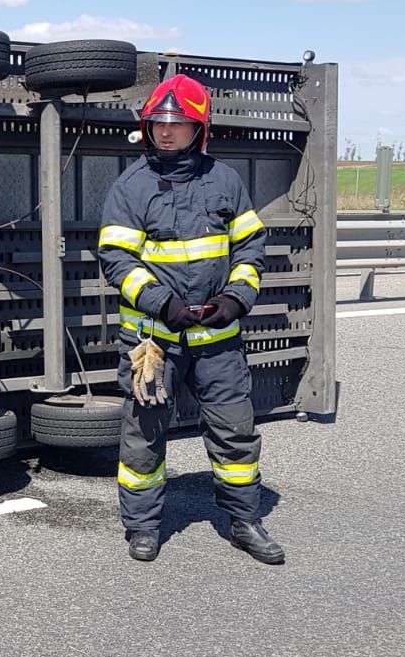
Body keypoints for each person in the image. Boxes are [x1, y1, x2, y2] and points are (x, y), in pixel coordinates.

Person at [96, 73, 285, 565]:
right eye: (158, 122)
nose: (166, 131)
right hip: (154, 342)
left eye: (178, 123)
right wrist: (163, 303)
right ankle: (142, 528)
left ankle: (244, 521)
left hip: (218, 340)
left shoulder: (225, 180)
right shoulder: (131, 186)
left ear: (199, 129)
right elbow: (116, 260)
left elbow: (251, 248)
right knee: (144, 437)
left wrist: (237, 298)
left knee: (235, 432)